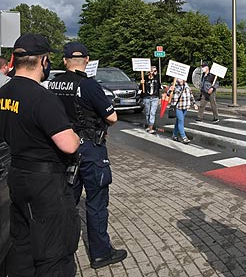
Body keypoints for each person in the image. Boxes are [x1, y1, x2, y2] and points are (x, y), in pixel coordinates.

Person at [0, 34, 81, 275]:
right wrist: (76, 136)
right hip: (45, 184)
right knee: (54, 251)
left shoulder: (3, 92)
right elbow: (68, 144)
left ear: (15, 59)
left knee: (22, 246)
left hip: (17, 175)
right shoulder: (42, 97)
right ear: (44, 61)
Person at [48, 42, 127, 269]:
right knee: (96, 203)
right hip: (91, 149)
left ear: (64, 61)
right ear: (87, 60)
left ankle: (60, 250)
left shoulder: (54, 84)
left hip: (65, 148)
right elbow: (112, 118)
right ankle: (101, 253)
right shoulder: (89, 85)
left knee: (66, 202)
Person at [168, 78, 197, 143]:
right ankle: (184, 137)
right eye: (179, 79)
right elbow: (168, 95)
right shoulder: (174, 85)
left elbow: (191, 95)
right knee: (181, 121)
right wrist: (170, 90)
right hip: (178, 107)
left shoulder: (187, 86)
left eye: (181, 79)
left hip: (185, 106)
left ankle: (174, 135)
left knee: (178, 121)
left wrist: (194, 104)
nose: (180, 80)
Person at [141, 66, 160, 133]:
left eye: (155, 71)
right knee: (148, 113)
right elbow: (141, 89)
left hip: (155, 98)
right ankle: (148, 125)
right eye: (153, 71)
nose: (155, 72)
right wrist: (141, 83)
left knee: (152, 113)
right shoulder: (145, 79)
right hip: (147, 98)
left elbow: (159, 87)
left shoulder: (157, 78)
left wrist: (159, 98)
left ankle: (151, 127)